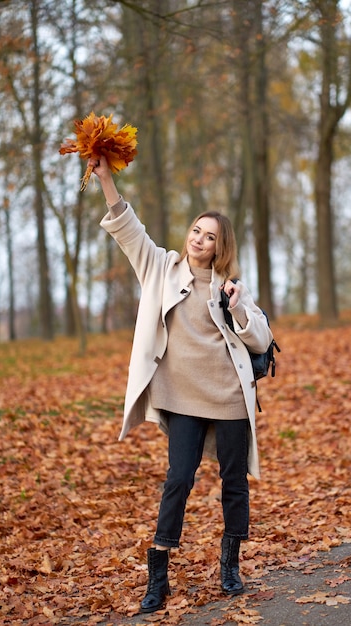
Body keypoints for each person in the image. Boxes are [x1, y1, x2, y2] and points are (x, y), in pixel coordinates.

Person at [88, 156, 273, 614]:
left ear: (219, 246)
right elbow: (128, 228)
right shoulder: (161, 268)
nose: (200, 240)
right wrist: (107, 179)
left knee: (234, 482)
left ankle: (230, 565)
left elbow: (262, 338)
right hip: (181, 397)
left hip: (228, 395)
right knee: (178, 480)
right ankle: (160, 571)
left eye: (210, 236)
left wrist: (239, 310)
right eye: (196, 230)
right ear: (188, 234)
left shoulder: (232, 287)